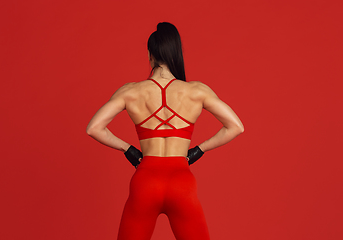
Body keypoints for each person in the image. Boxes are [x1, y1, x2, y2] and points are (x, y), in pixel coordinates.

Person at [86, 22, 244, 240]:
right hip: (181, 182)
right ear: (176, 53)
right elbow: (236, 126)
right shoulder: (197, 91)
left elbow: (94, 128)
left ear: (151, 54)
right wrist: (197, 151)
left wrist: (129, 150)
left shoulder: (131, 91)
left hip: (145, 181)